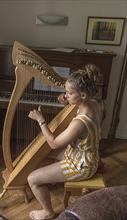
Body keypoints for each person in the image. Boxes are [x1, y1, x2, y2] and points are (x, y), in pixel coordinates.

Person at [28, 64, 105, 220]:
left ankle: (48, 212)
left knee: (32, 179)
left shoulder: (79, 122)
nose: (66, 95)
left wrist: (41, 121)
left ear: (82, 95)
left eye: (69, 93)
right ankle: (52, 178)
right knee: (44, 153)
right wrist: (68, 100)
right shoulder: (94, 103)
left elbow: (54, 143)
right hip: (87, 155)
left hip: (81, 165)